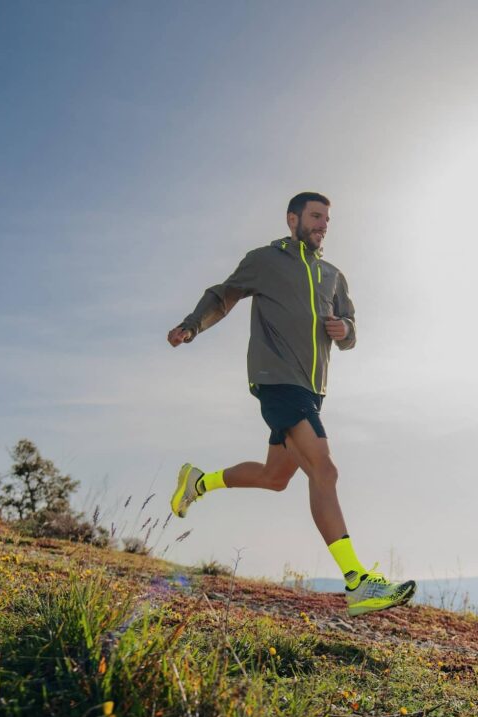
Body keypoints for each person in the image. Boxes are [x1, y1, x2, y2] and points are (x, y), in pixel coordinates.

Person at [166, 192, 415, 617]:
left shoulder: (333, 275)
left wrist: (345, 330)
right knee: (325, 468)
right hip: (276, 379)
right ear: (292, 219)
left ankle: (198, 482)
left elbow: (351, 330)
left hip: (312, 389)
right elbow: (223, 295)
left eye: (327, 219)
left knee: (274, 476)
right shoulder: (266, 260)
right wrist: (192, 326)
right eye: (315, 217)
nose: (323, 225)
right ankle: (357, 581)